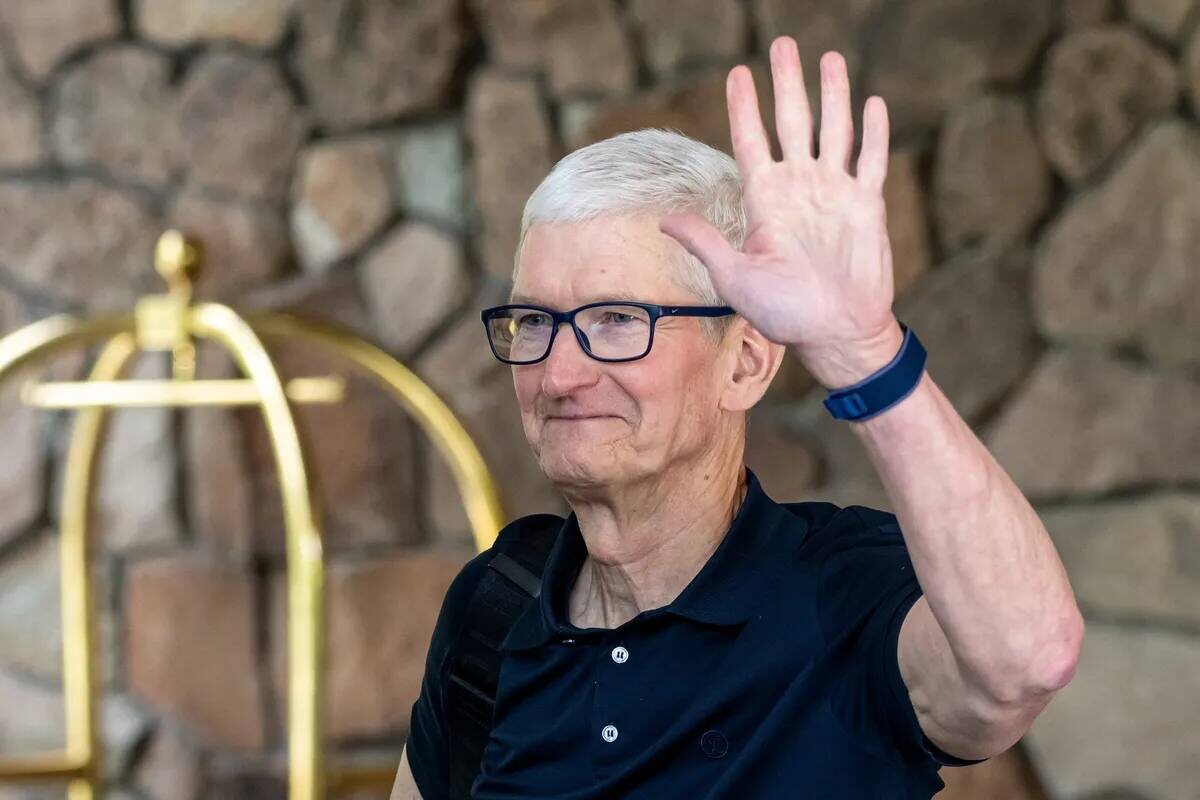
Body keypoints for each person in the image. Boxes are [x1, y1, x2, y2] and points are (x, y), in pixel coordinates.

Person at [390, 35, 1083, 799]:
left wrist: (865, 353)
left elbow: (1027, 663)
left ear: (746, 363)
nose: (558, 374)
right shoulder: (496, 605)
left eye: (617, 320)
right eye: (534, 322)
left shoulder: (844, 592)